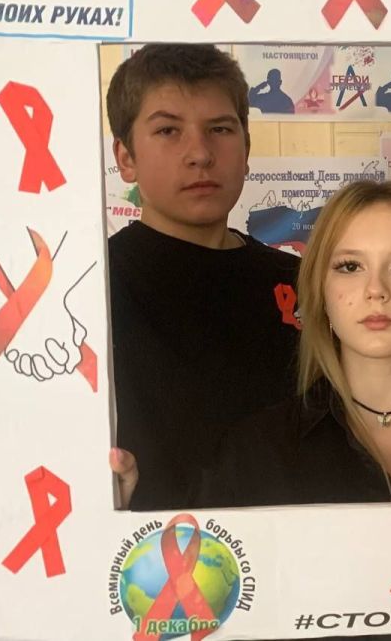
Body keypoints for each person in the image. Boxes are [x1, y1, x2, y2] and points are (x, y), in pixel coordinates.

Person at [114, 180, 391, 511]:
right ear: (320, 290)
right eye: (350, 266)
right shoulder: (257, 452)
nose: (376, 290)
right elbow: (195, 581)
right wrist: (129, 508)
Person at [106, 43, 301, 511]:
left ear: (246, 148)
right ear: (126, 158)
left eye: (220, 129)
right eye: (168, 130)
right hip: (153, 550)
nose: (200, 153)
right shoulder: (94, 286)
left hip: (300, 544)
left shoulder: (302, 282)